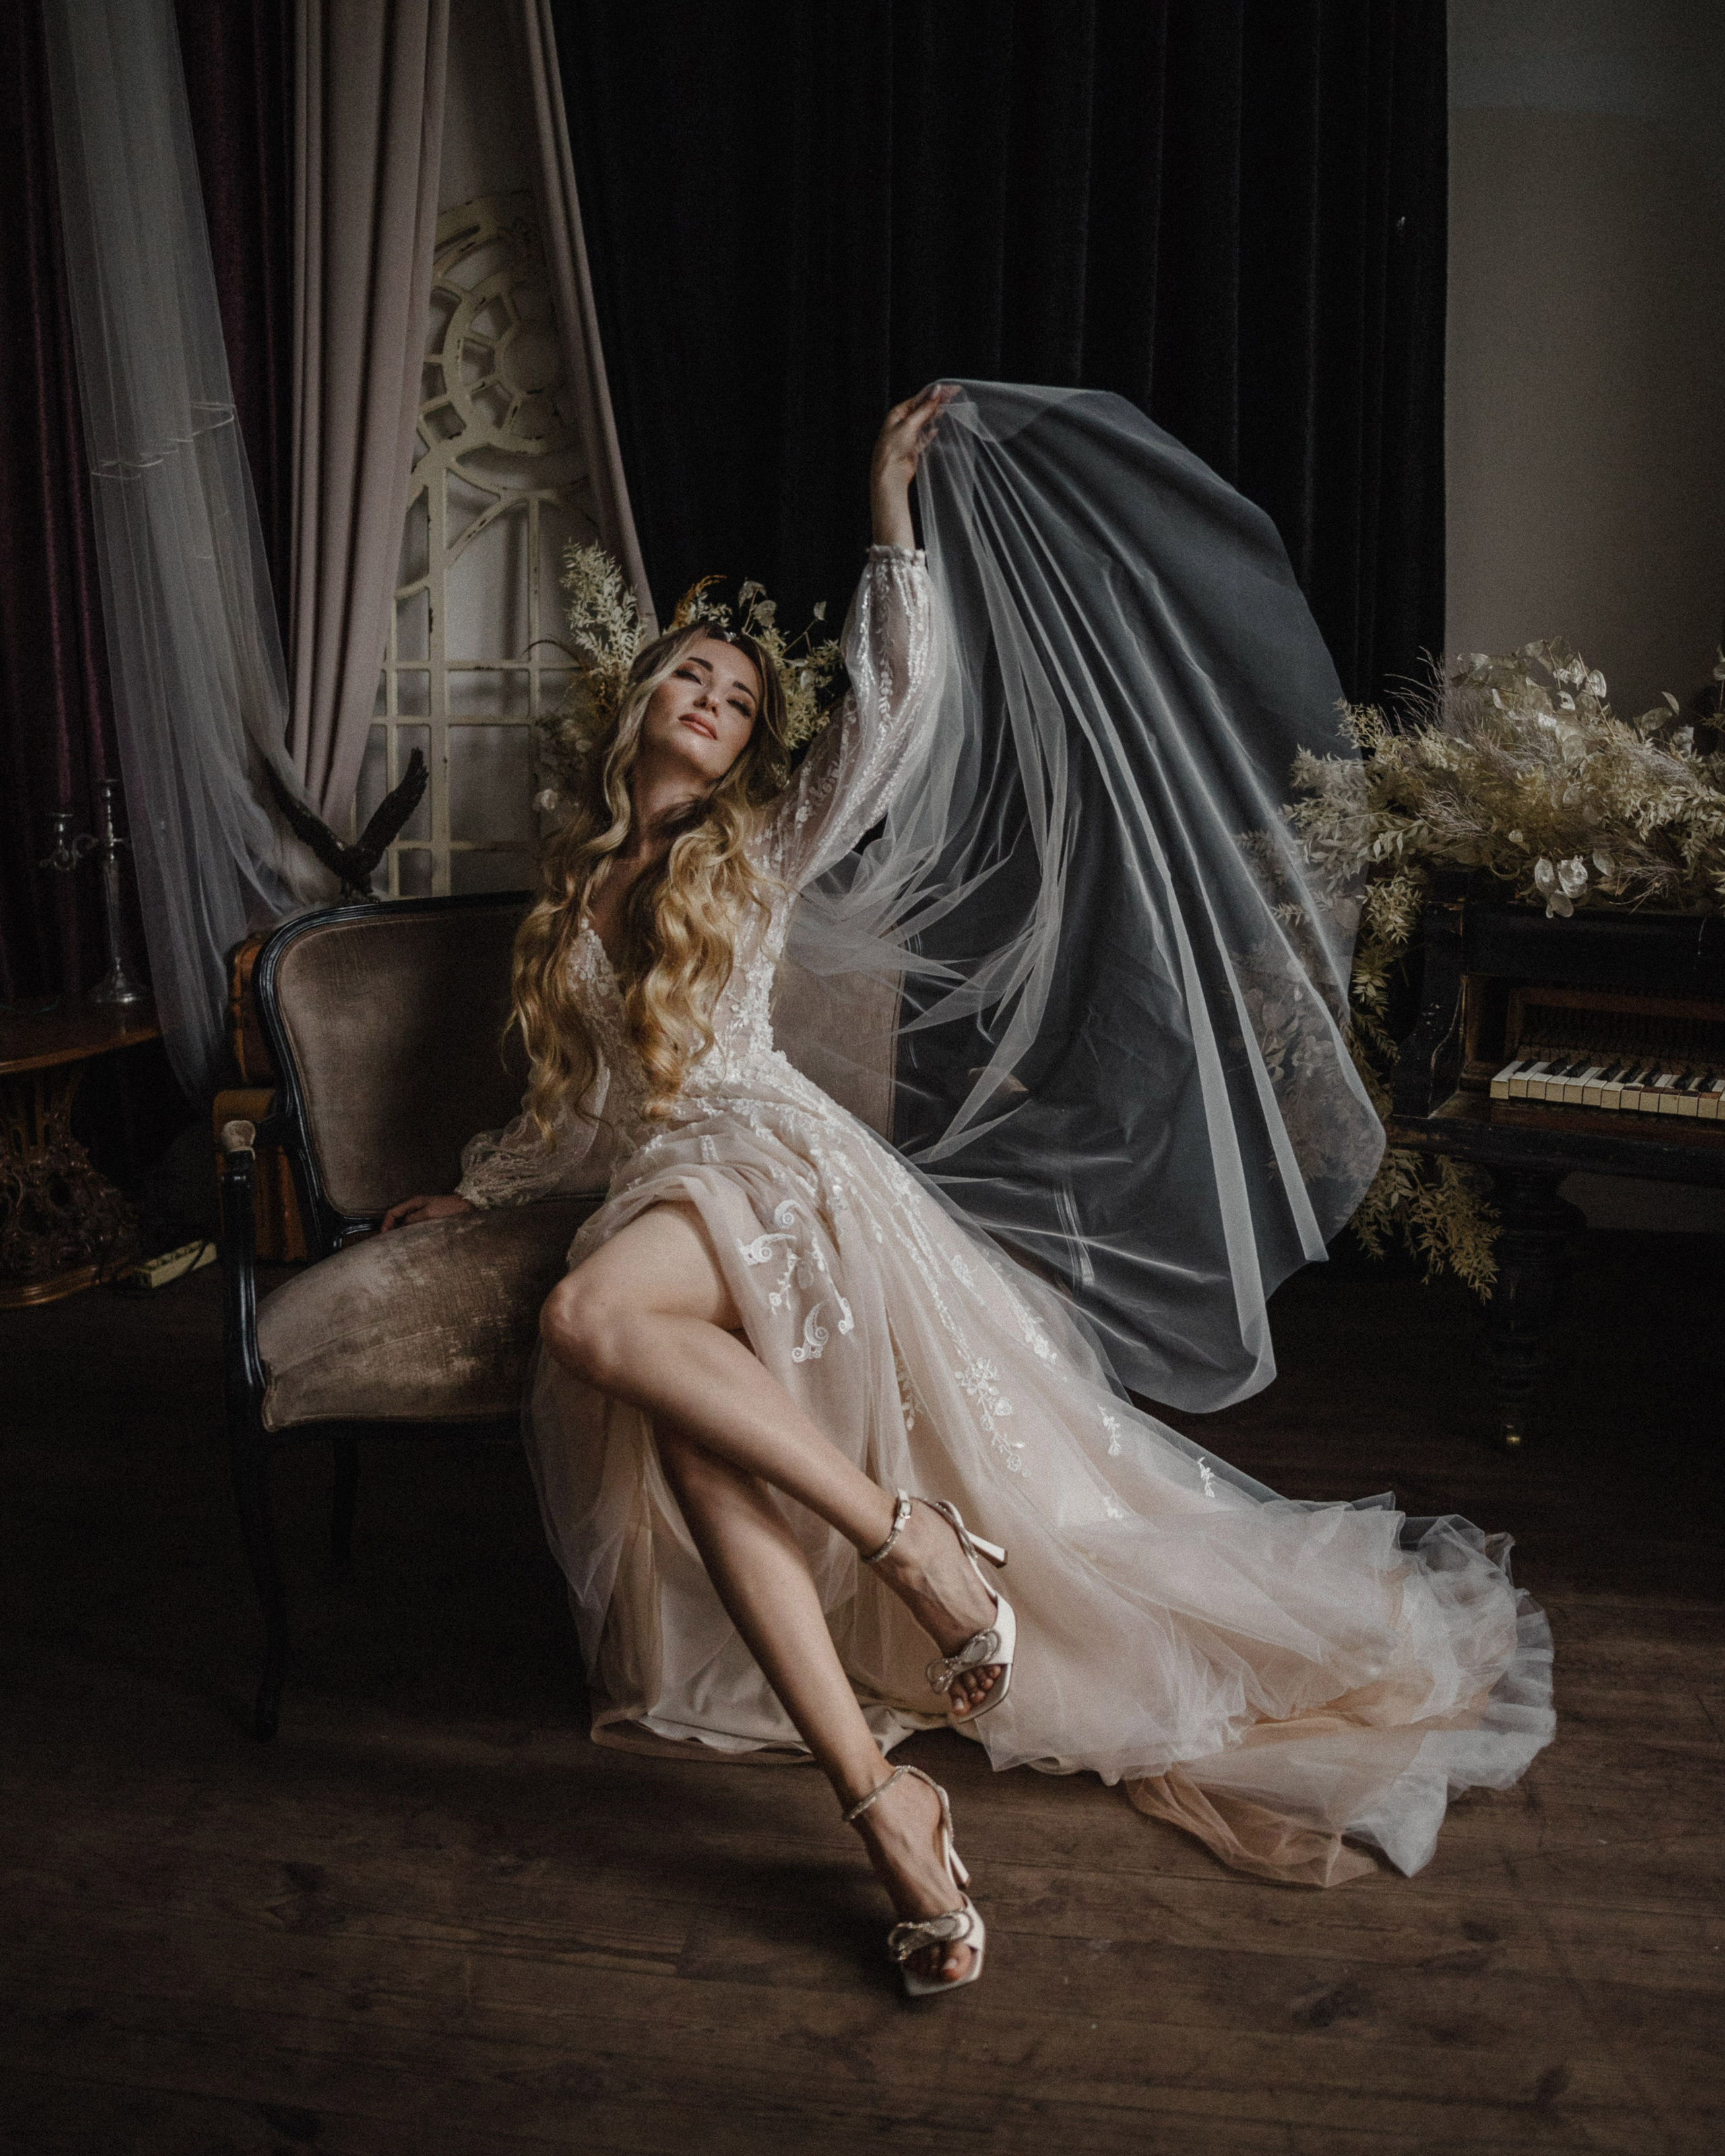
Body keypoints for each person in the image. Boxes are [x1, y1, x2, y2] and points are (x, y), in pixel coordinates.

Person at [383, 385, 1553, 1997]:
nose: (712, 698)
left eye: (737, 692)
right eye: (690, 675)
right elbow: (573, 1110)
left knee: (590, 1316)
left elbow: (888, 701)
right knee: (689, 1432)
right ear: (638, 701)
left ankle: (911, 1542)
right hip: (661, 1189)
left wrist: (890, 514)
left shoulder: (753, 849)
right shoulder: (575, 889)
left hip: (771, 1172)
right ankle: (883, 1806)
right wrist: (471, 1193)